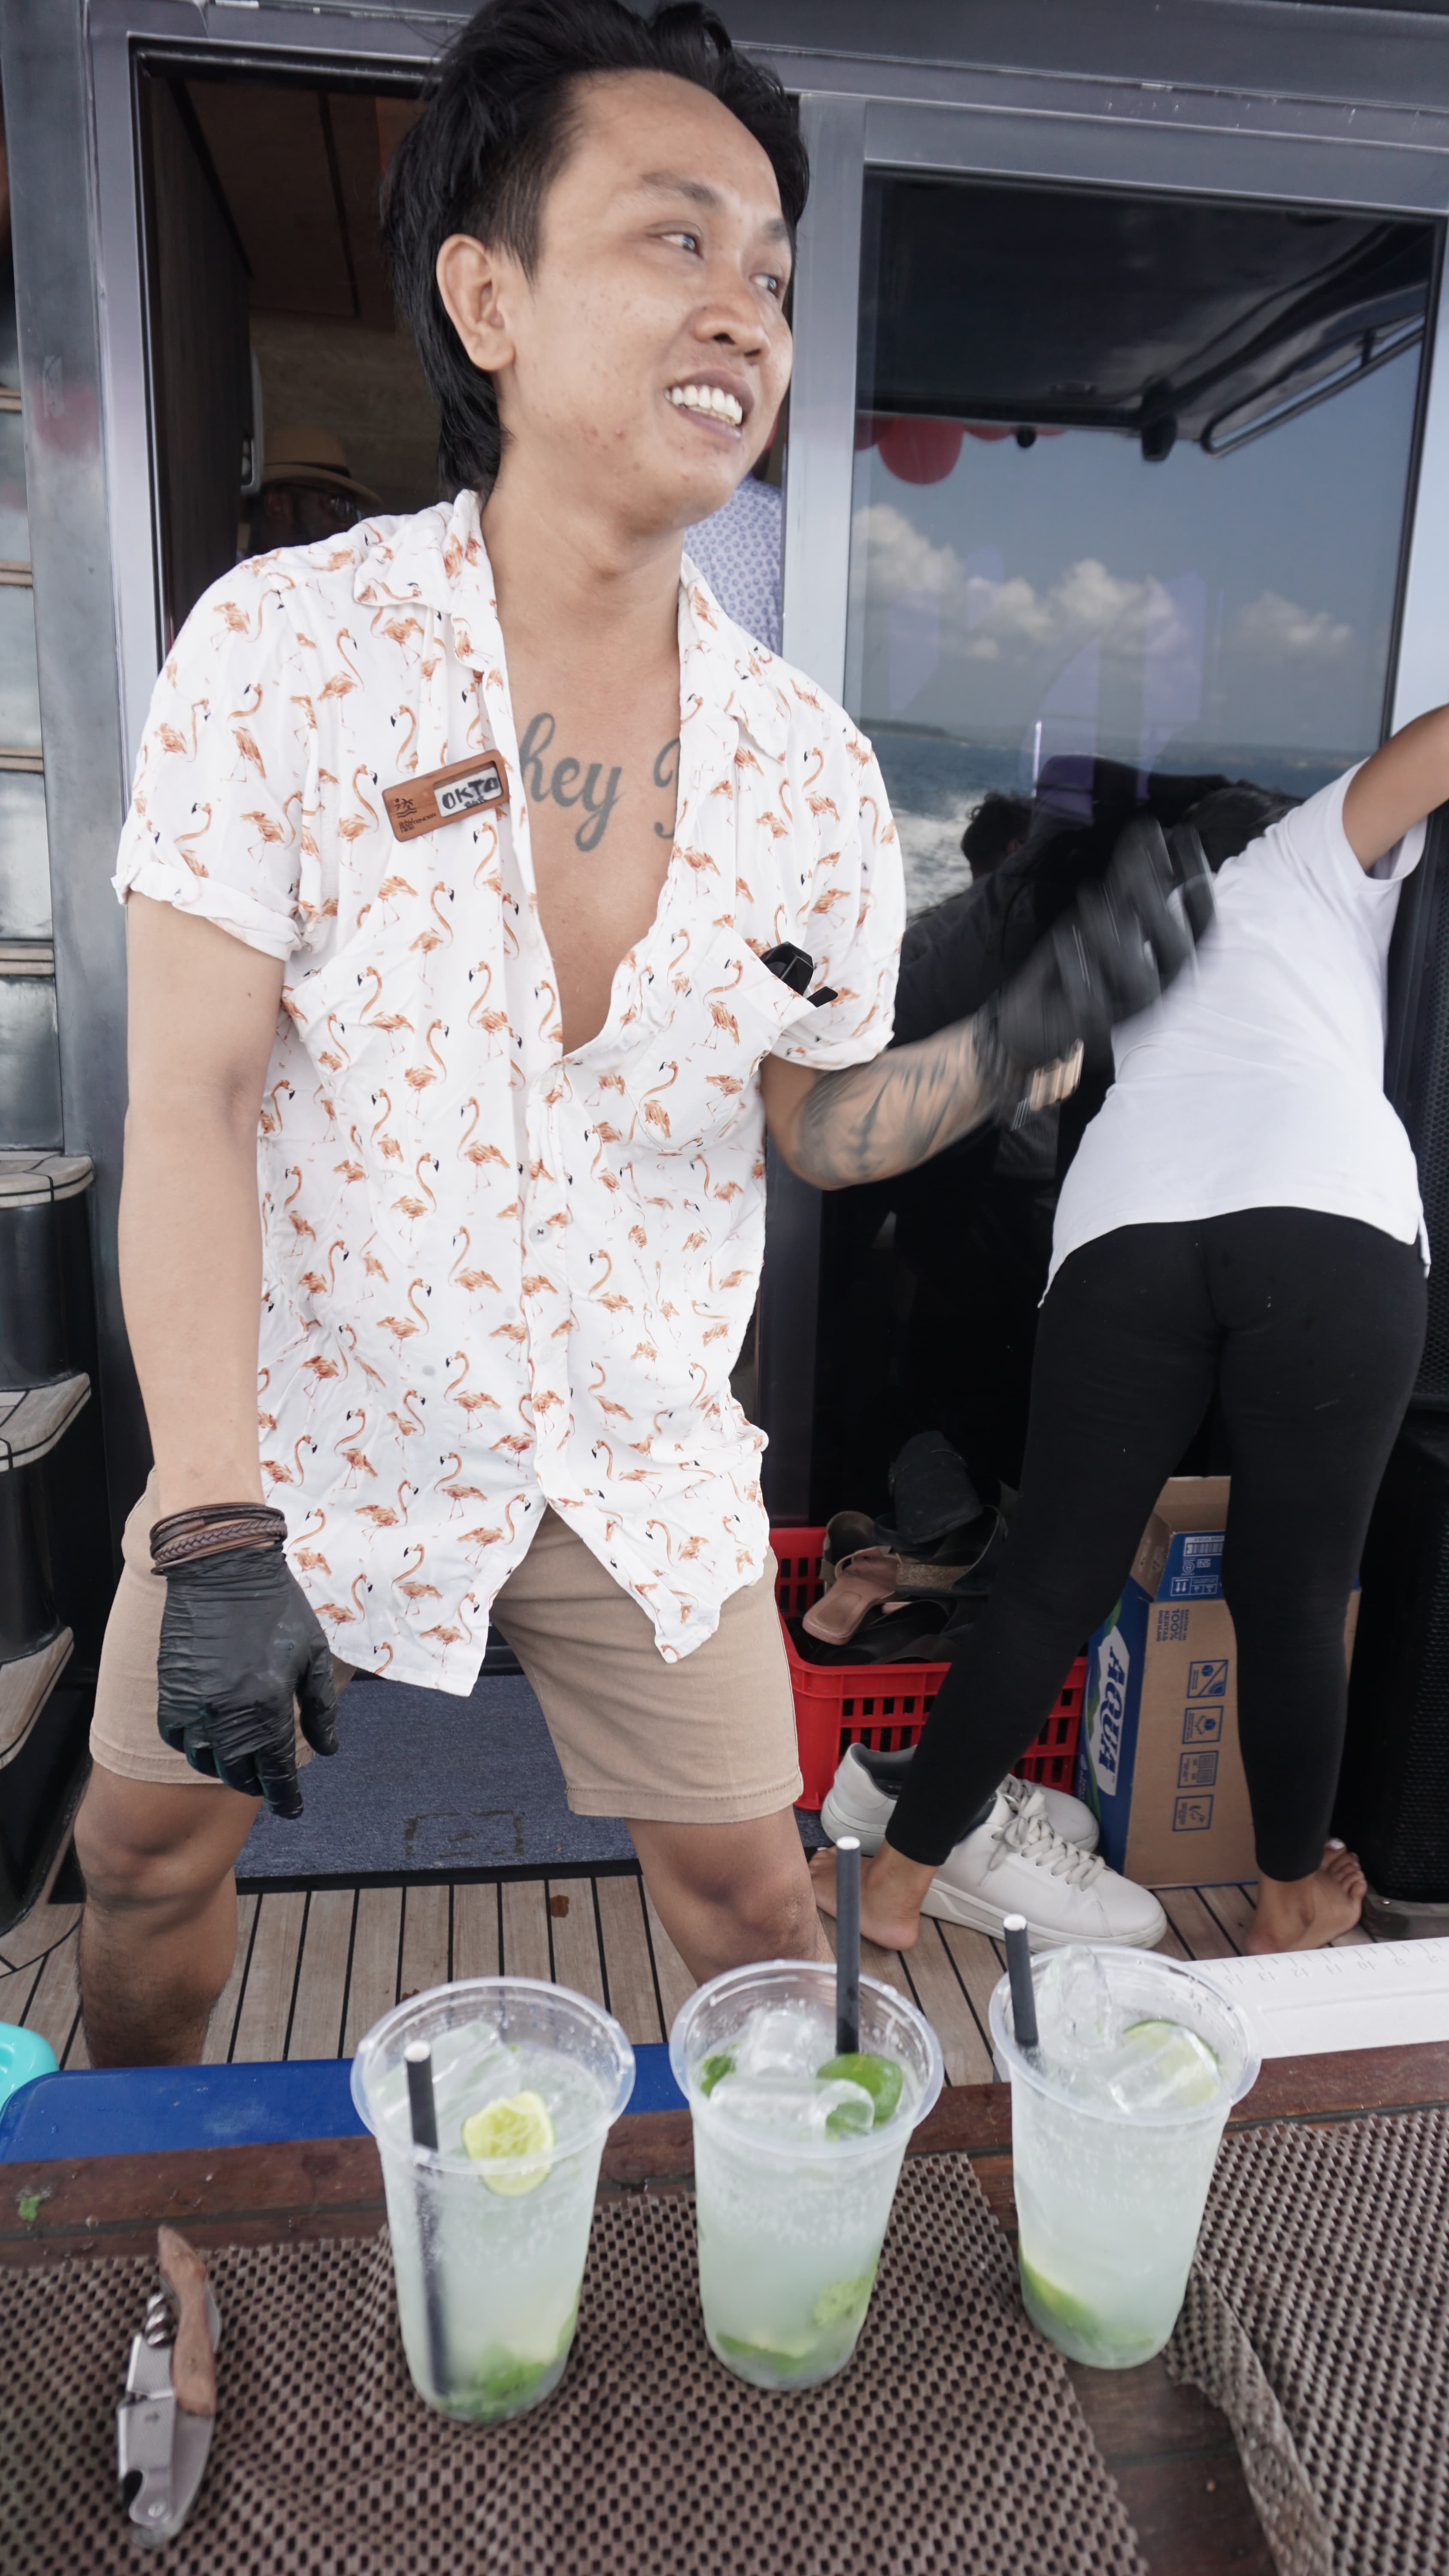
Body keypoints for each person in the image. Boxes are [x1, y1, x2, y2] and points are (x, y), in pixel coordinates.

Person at [73, 0, 1206, 2068]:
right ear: (486, 297)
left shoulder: (812, 772)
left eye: (770, 267)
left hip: (633, 1439)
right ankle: (150, 2239)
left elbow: (816, 1129)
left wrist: (1013, 1036)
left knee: (754, 1900)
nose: (746, 310)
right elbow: (189, 1098)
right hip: (306, 1423)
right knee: (143, 1859)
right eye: (675, 240)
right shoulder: (289, 653)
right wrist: (215, 1516)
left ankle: (775, 2248)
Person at [815, 729, 1440, 1956]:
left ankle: (896, 1880)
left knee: (1051, 1586)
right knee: (1295, 1596)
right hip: (1326, 1207)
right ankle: (1283, 1900)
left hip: (1129, 1220)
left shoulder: (1119, 919)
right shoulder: (1309, 851)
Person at [245, 424, 381, 553]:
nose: (350, 524)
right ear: (277, 504)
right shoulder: (232, 576)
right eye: (338, 504)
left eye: (354, 512)